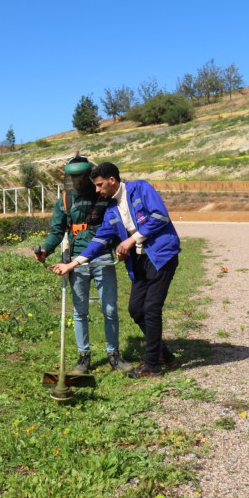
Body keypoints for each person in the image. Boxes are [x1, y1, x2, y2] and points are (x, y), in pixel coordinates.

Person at [50, 162, 181, 378]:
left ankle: (152, 366)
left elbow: (160, 216)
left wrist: (131, 240)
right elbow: (100, 239)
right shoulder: (111, 209)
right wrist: (72, 264)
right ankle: (163, 354)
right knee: (136, 309)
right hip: (140, 261)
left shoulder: (140, 188)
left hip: (161, 256)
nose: (97, 190)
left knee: (151, 308)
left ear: (112, 180)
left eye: (100, 185)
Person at [35, 155, 134, 375]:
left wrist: (122, 245)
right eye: (73, 177)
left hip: (103, 258)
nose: (77, 182)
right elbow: (56, 231)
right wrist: (46, 249)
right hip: (76, 261)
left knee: (109, 308)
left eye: (81, 177)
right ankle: (83, 357)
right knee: (79, 311)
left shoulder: (104, 196)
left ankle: (114, 355)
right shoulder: (65, 200)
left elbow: (118, 223)